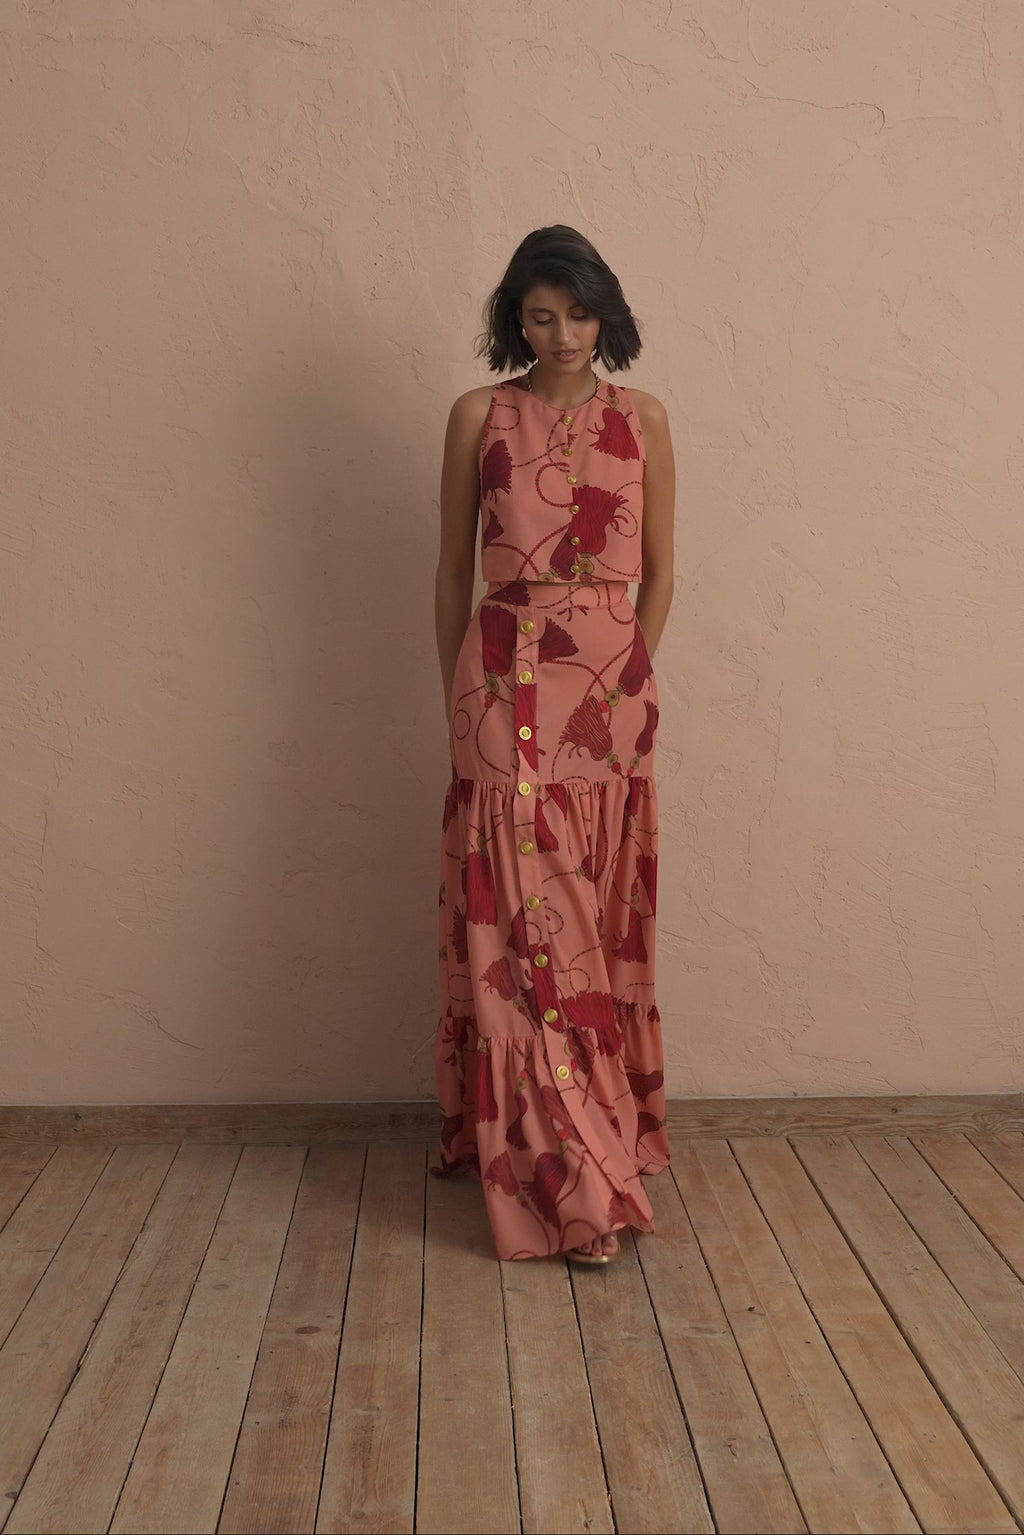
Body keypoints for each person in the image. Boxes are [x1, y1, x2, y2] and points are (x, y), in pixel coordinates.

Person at [433, 225, 675, 1265]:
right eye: (540, 315)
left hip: (608, 695)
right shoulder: (477, 415)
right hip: (500, 681)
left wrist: (627, 675)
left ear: (604, 312)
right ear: (515, 321)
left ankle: (599, 1124)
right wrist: (458, 691)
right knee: (523, 935)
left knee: (587, 921)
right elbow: (454, 570)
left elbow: (660, 572)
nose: (563, 333)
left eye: (578, 313)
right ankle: (566, 1178)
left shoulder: (644, 418)